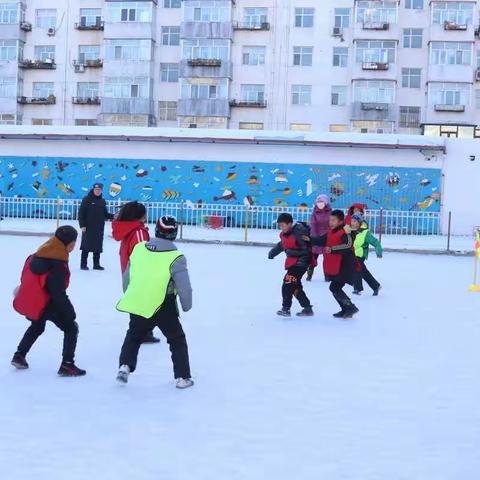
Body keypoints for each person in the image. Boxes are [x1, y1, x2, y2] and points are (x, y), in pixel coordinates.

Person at [116, 216, 193, 388]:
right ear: (174, 234)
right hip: (164, 305)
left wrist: (130, 294)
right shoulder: (176, 257)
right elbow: (184, 286)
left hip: (139, 300)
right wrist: (186, 305)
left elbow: (127, 276)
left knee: (134, 336)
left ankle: (125, 366)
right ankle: (182, 377)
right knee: (176, 339)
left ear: (156, 230)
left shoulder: (139, 249)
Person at [11, 226, 86, 376]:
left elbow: (25, 278)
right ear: (69, 243)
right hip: (47, 302)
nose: (74, 246)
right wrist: (69, 313)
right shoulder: (56, 263)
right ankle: (67, 364)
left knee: (37, 326)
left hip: (34, 300)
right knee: (71, 327)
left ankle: (19, 355)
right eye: (73, 243)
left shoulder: (36, 255)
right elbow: (58, 293)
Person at [112, 201, 161, 344]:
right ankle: (140, 332)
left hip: (128, 270)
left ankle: (143, 331)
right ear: (139, 216)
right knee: (142, 302)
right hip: (137, 272)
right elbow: (141, 252)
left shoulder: (131, 229)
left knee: (138, 301)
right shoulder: (139, 232)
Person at [308, 210, 359, 319]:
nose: (330, 222)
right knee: (334, 287)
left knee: (334, 287)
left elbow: (348, 245)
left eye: (333, 220)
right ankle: (346, 309)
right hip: (337, 265)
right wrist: (309, 239)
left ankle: (350, 308)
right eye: (330, 220)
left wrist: (332, 249)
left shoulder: (346, 231)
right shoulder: (331, 231)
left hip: (346, 265)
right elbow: (321, 240)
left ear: (340, 221)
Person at [268, 213, 314, 317]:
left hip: (301, 263)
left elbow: (306, 249)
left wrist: (290, 252)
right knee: (295, 286)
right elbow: (282, 245)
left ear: (290, 224)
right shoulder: (284, 234)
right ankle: (307, 308)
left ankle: (286, 308)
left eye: (283, 225)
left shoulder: (298, 233)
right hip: (293, 263)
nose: (281, 227)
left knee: (288, 283)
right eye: (280, 225)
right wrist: (272, 253)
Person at [79, 183, 114, 271]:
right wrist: (82, 225)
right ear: (93, 190)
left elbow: (105, 214)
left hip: (99, 227)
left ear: (101, 190)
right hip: (88, 227)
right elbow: (81, 213)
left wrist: (114, 216)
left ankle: (96, 264)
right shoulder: (87, 199)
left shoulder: (102, 201)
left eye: (99, 190)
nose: (97, 191)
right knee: (86, 245)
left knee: (98, 246)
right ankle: (83, 264)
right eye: (96, 190)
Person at [350, 213, 383, 296]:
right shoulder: (350, 231)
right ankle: (376, 286)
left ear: (359, 222)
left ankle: (357, 289)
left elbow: (375, 242)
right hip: (352, 254)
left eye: (354, 221)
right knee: (364, 272)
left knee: (357, 269)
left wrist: (379, 251)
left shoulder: (365, 233)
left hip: (360, 254)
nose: (352, 223)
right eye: (351, 221)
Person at [307, 194, 331, 282]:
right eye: (318, 202)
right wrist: (314, 236)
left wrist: (329, 235)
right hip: (316, 236)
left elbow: (332, 224)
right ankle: (309, 273)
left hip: (327, 237)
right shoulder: (315, 212)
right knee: (313, 257)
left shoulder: (330, 212)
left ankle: (327, 275)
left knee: (327, 258)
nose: (319, 204)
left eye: (321, 202)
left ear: (326, 202)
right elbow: (313, 224)